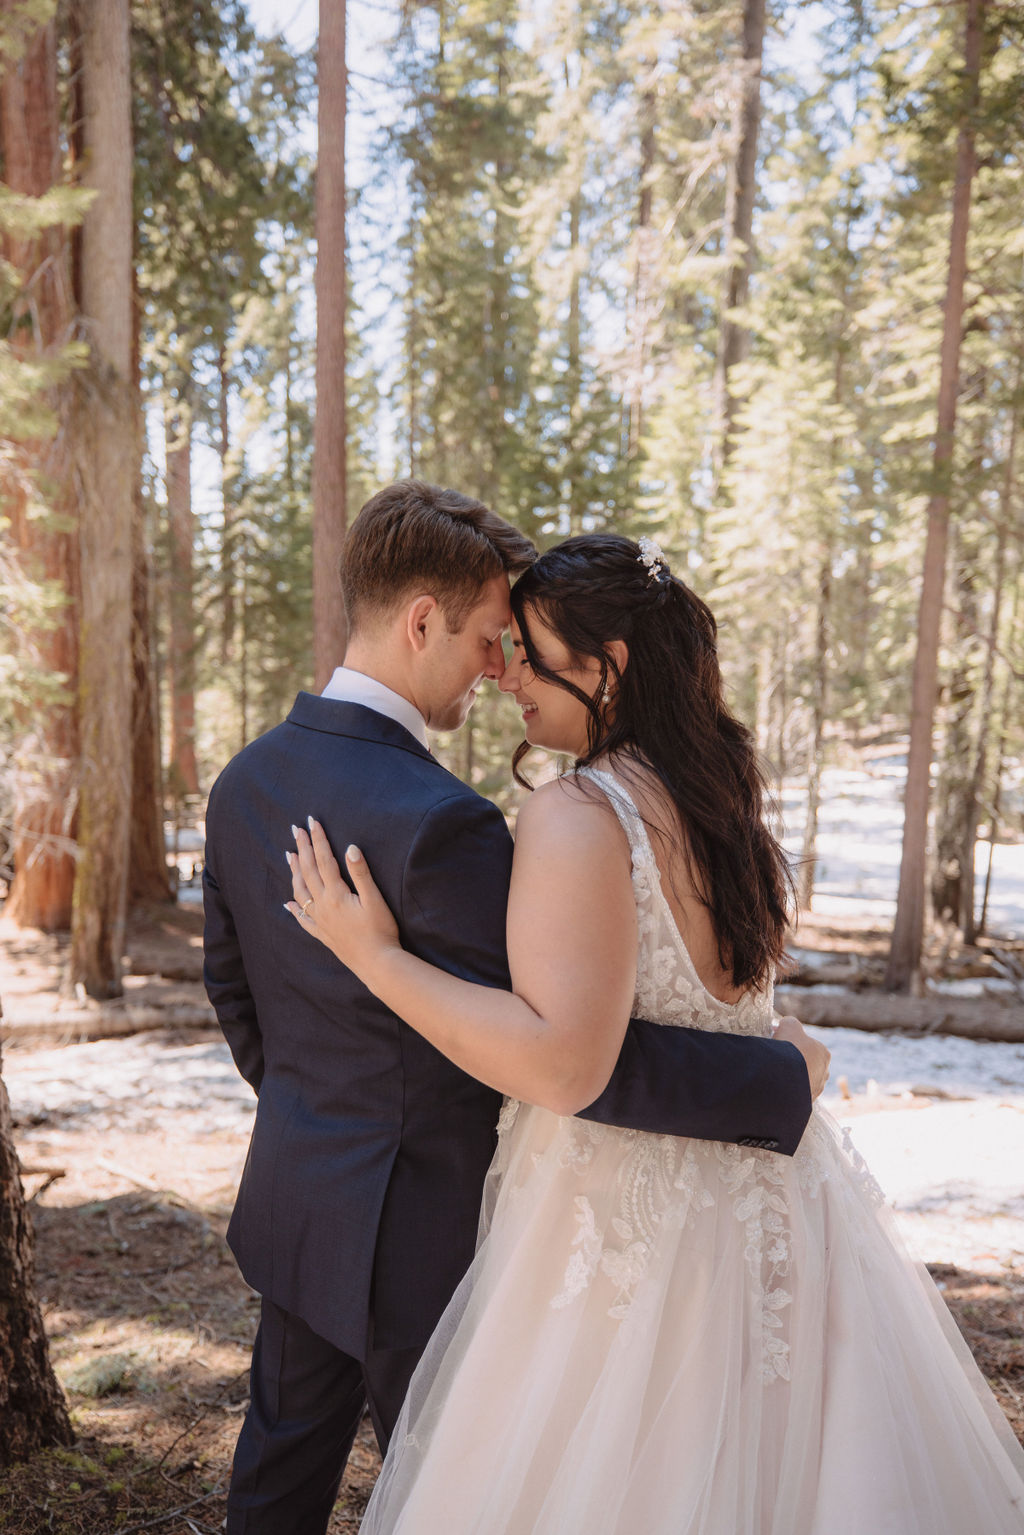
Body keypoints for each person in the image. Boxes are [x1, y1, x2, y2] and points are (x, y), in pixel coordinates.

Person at [287, 531, 1024, 1535]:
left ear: (610, 664)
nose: (505, 675)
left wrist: (372, 955)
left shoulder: (578, 813)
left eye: (530, 649)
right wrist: (782, 1059)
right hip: (779, 1214)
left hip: (622, 1231)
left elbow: (561, 1059)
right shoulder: (719, 798)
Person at [203, 485, 826, 1535]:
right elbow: (560, 1051)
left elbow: (243, 1007)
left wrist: (327, 1120)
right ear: (419, 622)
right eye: (493, 637)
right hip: (433, 1237)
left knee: (277, 1475)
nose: (499, 670)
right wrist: (770, 1075)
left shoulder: (244, 783)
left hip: (301, 1201)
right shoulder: (447, 822)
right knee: (459, 1491)